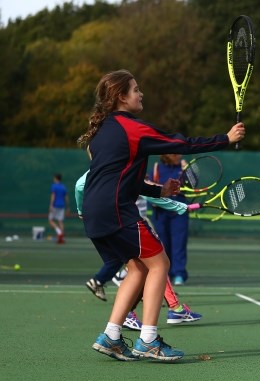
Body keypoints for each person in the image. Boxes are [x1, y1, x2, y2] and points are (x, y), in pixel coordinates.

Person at [77, 69, 244, 361]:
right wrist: (225, 139)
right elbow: (181, 143)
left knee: (138, 268)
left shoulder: (100, 132)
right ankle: (148, 340)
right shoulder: (132, 128)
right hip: (116, 210)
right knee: (160, 263)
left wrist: (159, 192)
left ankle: (112, 337)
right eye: (136, 89)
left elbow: (121, 178)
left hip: (95, 211)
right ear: (121, 97)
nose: (141, 94)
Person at [75, 170, 203, 328]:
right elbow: (153, 194)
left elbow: (79, 186)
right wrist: (182, 207)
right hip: (132, 225)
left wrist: (81, 210)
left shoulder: (100, 171)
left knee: (144, 268)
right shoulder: (126, 170)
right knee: (157, 265)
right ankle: (169, 310)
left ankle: (121, 325)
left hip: (115, 225)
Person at [151, 154, 189, 286]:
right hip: (160, 213)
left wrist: (187, 171)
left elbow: (193, 185)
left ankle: (179, 274)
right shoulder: (157, 168)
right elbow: (150, 188)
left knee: (179, 243)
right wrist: (154, 202)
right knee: (162, 245)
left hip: (179, 212)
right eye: (176, 153)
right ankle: (164, 274)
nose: (180, 155)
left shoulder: (184, 167)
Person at [48, 173, 69, 244]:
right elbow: (66, 197)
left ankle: (59, 233)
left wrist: (51, 205)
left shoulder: (54, 186)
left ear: (56, 178)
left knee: (51, 221)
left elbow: (53, 196)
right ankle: (62, 238)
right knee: (60, 221)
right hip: (62, 205)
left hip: (55, 205)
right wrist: (67, 206)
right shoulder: (63, 187)